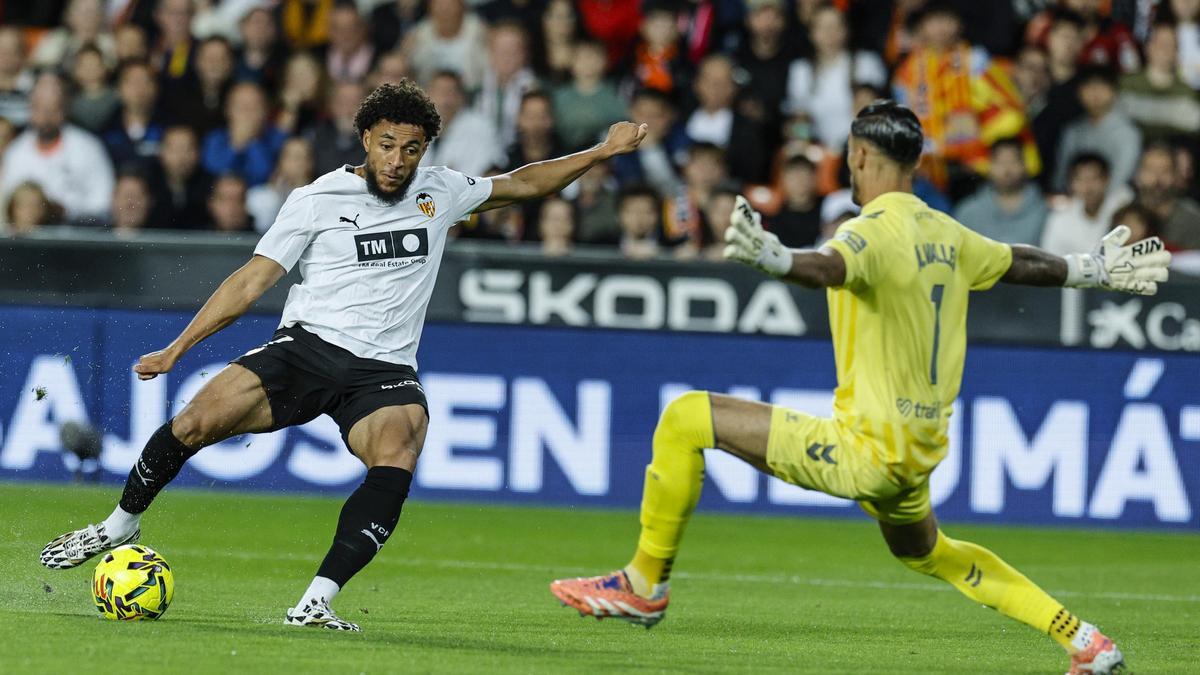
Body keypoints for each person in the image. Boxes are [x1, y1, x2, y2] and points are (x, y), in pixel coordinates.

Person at [550, 100, 1170, 675]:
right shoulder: (947, 233)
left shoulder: (869, 230)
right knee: (928, 553)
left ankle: (643, 586)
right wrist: (1093, 270)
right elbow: (1018, 261)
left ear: (860, 157)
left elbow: (832, 266)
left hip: (865, 450)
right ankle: (1083, 639)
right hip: (918, 452)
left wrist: (775, 258)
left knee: (686, 417)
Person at [38, 80, 649, 633]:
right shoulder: (315, 199)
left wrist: (599, 153)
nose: (398, 160)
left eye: (412, 148)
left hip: (382, 374)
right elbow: (252, 280)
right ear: (364, 139)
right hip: (305, 351)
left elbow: (522, 182)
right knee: (194, 423)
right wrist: (178, 348)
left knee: (401, 446)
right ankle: (118, 524)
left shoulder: (443, 190)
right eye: (387, 145)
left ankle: (316, 600)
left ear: (425, 149)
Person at [0, 74, 114, 222]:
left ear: (64, 110)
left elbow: (104, 202)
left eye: (53, 109)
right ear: (30, 110)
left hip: (75, 235)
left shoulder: (88, 148)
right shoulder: (16, 153)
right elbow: (8, 202)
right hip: (27, 239)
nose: (46, 117)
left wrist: (68, 211)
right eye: (39, 108)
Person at [784, 3, 887, 151]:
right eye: (823, 28)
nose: (830, 34)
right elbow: (799, 119)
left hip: (861, 149)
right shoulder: (801, 71)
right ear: (811, 34)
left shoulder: (867, 64)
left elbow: (880, 115)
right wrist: (803, 143)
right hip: (820, 154)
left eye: (835, 27)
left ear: (847, 30)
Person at [1054, 66, 1141, 192]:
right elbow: (1061, 177)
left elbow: (1122, 180)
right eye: (1088, 87)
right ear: (1079, 93)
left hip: (1114, 203)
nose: (1095, 93)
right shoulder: (1072, 130)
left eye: (1101, 86)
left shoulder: (1128, 133)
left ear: (1114, 91)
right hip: (1073, 204)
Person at [953, 138, 1047, 245]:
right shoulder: (968, 212)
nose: (1007, 170)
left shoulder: (1045, 210)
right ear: (989, 166)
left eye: (1013, 161)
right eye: (1000, 162)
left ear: (1025, 166)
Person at [1040, 153, 1133, 256]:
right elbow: (1052, 258)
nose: (1088, 188)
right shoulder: (1059, 218)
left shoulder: (1124, 204)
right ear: (1071, 184)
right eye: (1080, 180)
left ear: (1107, 179)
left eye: (1094, 178)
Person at [419, 70, 502, 176]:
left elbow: (484, 173)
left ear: (461, 96)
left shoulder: (481, 127)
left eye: (450, 92)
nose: (445, 99)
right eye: (439, 92)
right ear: (427, 95)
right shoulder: (417, 126)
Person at [1133, 143, 1200, 250]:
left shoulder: (1193, 219)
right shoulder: (1124, 215)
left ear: (1176, 176)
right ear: (1137, 175)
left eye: (1165, 171)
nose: (1157, 178)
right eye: (1150, 170)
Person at [147, 125, 213, 230]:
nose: (181, 157)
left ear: (198, 153)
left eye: (188, 149)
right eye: (175, 149)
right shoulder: (147, 183)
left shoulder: (211, 186)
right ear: (161, 153)